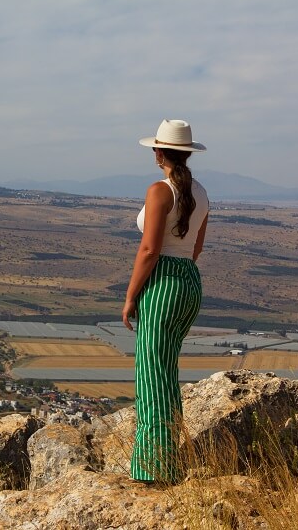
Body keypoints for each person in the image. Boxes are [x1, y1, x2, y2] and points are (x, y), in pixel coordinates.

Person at [122, 119, 209, 484]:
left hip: (163, 284)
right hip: (189, 280)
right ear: (186, 153)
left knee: (151, 375)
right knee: (166, 371)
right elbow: (197, 246)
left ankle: (156, 468)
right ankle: (167, 456)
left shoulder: (160, 191)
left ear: (159, 153)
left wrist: (130, 298)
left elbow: (149, 249)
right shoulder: (201, 192)